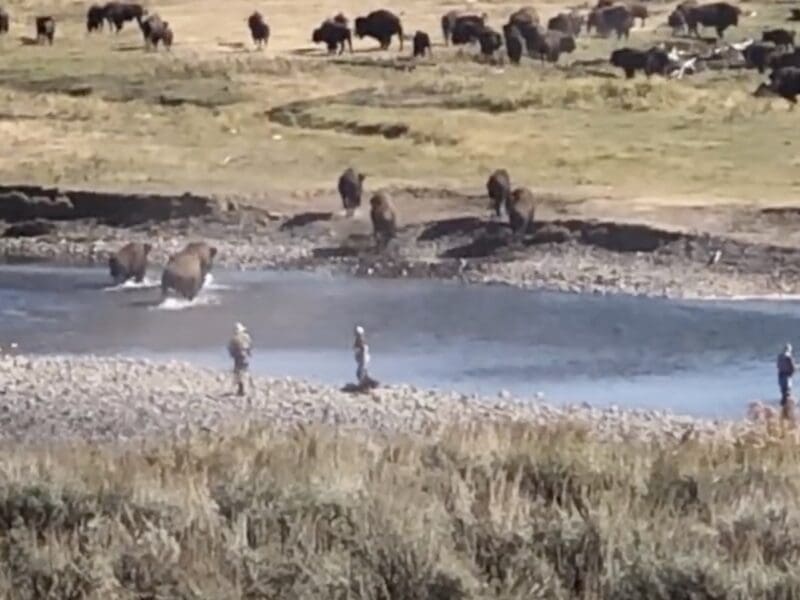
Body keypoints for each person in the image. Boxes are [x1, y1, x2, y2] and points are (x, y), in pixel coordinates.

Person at [227, 322, 252, 396]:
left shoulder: (234, 339)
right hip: (245, 357)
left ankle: (241, 389)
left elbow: (231, 349)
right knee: (244, 371)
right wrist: (249, 353)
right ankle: (245, 388)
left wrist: (232, 355)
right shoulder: (246, 337)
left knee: (238, 372)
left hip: (238, 357)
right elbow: (249, 346)